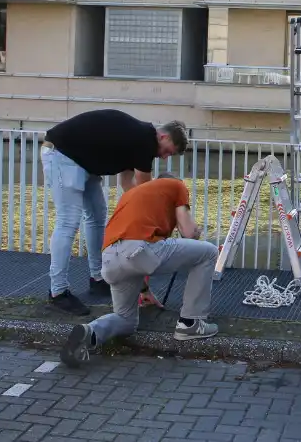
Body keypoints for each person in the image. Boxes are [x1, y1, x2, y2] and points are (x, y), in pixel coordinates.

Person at [59, 173, 219, 368]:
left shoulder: (132, 195)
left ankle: (90, 332)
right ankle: (191, 323)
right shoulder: (176, 185)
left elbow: (129, 251)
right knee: (208, 252)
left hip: (110, 258)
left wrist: (144, 291)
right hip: (139, 249)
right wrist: (194, 230)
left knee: (126, 320)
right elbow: (188, 231)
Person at [41, 110, 188, 315]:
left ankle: (98, 278)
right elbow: (146, 192)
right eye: (167, 152)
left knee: (97, 216)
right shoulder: (146, 140)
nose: (164, 157)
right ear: (163, 136)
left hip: (83, 162)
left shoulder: (138, 139)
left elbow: (128, 184)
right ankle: (57, 293)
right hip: (63, 155)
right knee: (67, 222)